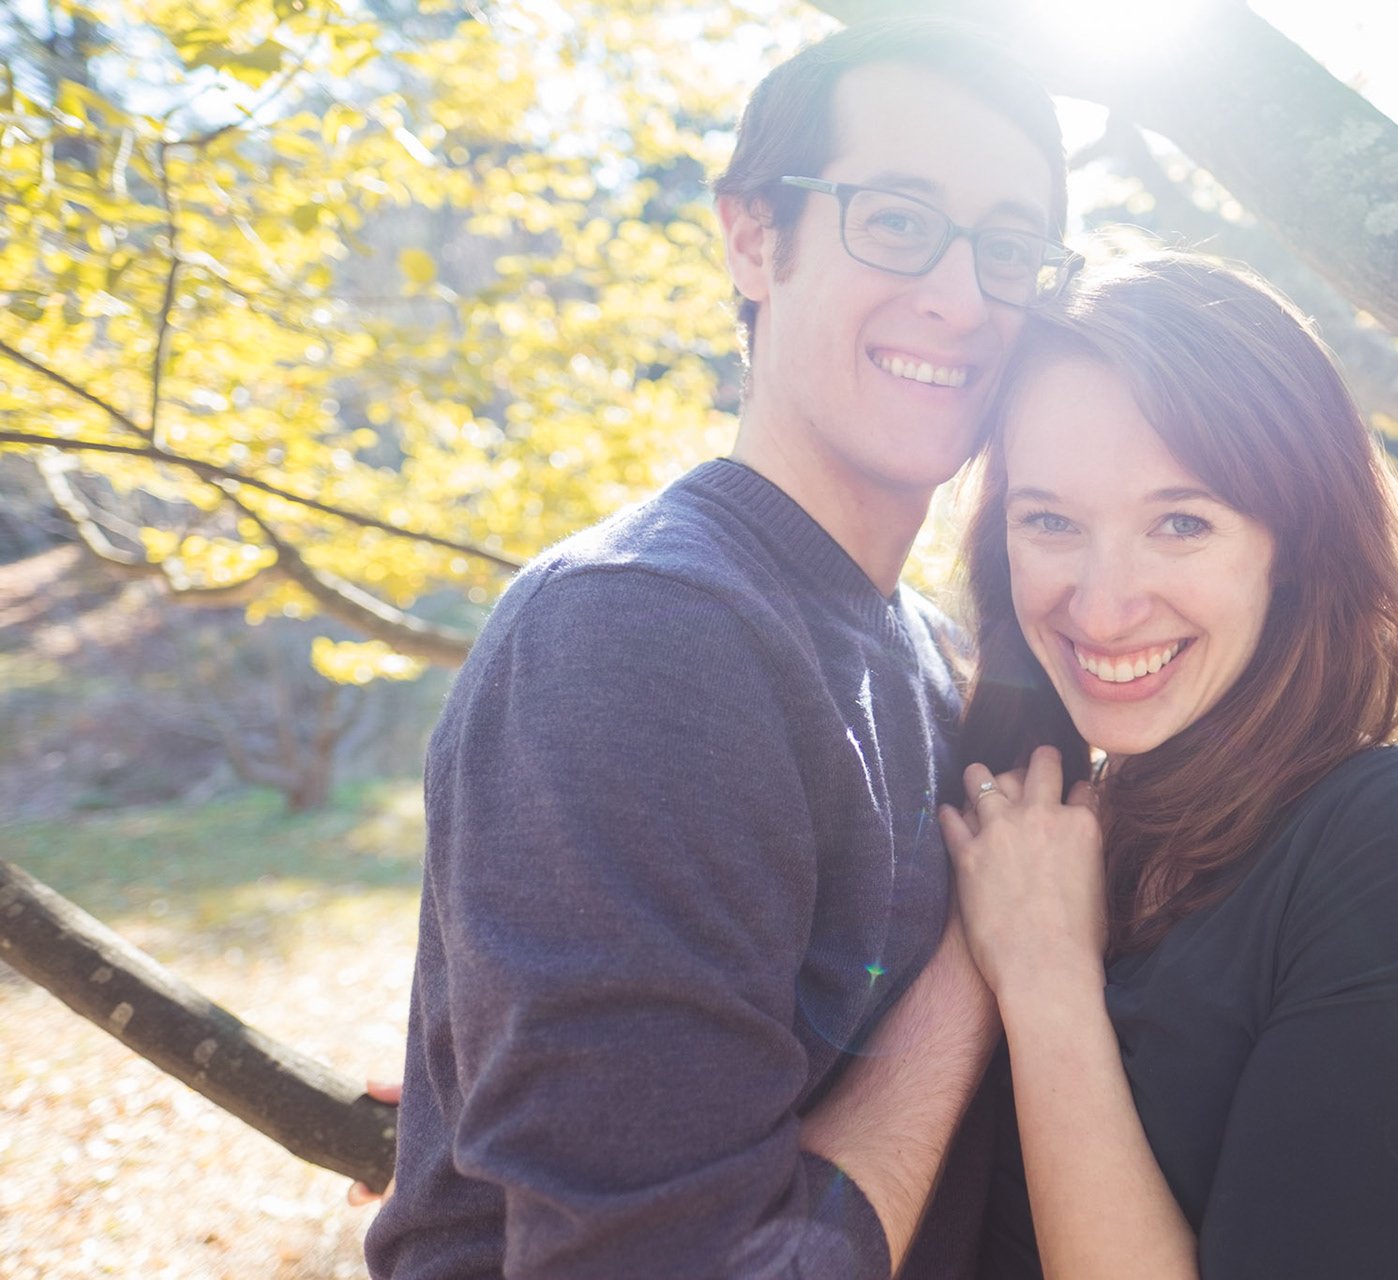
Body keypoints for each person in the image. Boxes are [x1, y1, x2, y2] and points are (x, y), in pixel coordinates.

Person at [362, 20, 1072, 1279]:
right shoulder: (643, 629)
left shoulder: (925, 648)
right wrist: (983, 960)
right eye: (896, 219)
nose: (962, 298)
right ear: (751, 235)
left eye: (1008, 248)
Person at [935, 251, 1398, 1279]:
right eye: (1050, 521)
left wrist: (1045, 981)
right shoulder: (1049, 825)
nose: (1101, 606)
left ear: (1296, 544)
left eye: (1181, 522)